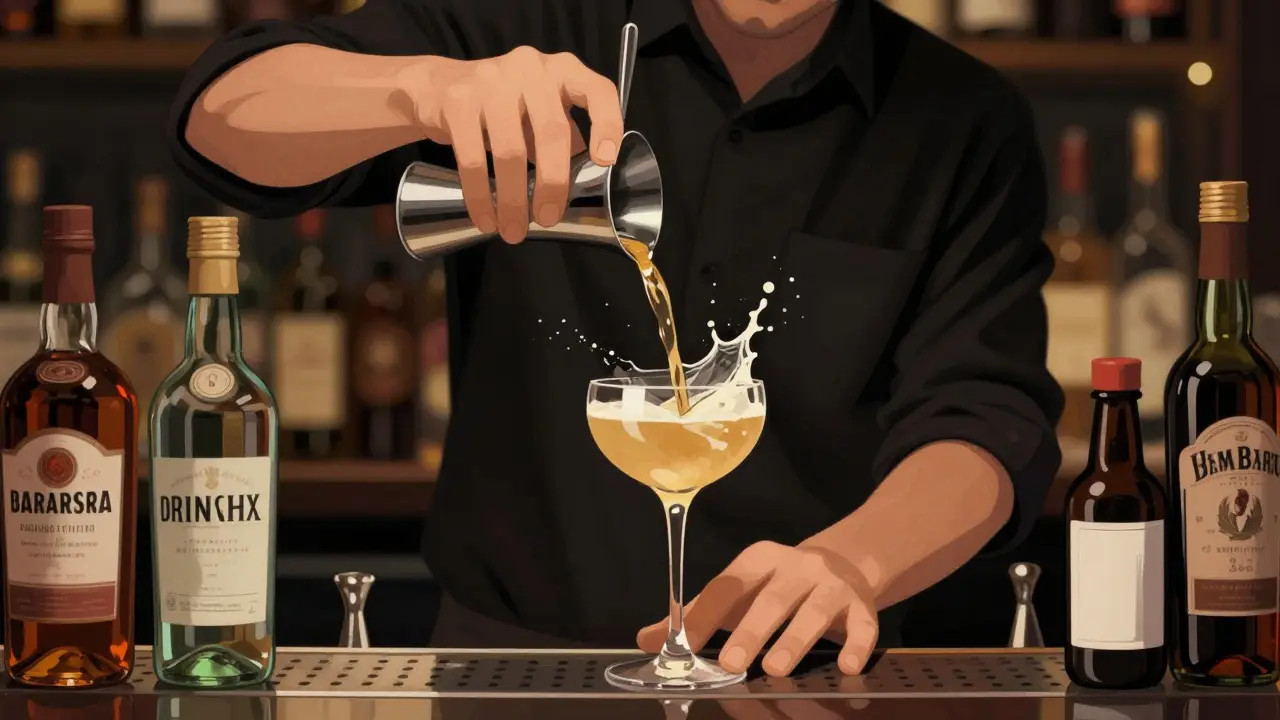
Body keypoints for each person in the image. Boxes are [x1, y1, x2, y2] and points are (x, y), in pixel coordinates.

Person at [170, 0, 1064, 678]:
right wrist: (430, 89)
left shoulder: (961, 119)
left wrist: (853, 561)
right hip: (507, 672)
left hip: (805, 678)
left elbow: (985, 420)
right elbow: (220, 114)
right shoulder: (526, 23)